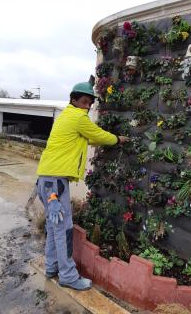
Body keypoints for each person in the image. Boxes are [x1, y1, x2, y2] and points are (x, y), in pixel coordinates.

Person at [36, 81, 129, 291]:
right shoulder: (78, 117)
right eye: (84, 102)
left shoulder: (66, 117)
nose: (87, 106)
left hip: (46, 180)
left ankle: (51, 267)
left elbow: (87, 140)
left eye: (89, 103)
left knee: (53, 229)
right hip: (56, 184)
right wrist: (117, 139)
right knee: (64, 231)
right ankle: (68, 276)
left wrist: (103, 141)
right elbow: (97, 134)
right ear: (73, 100)